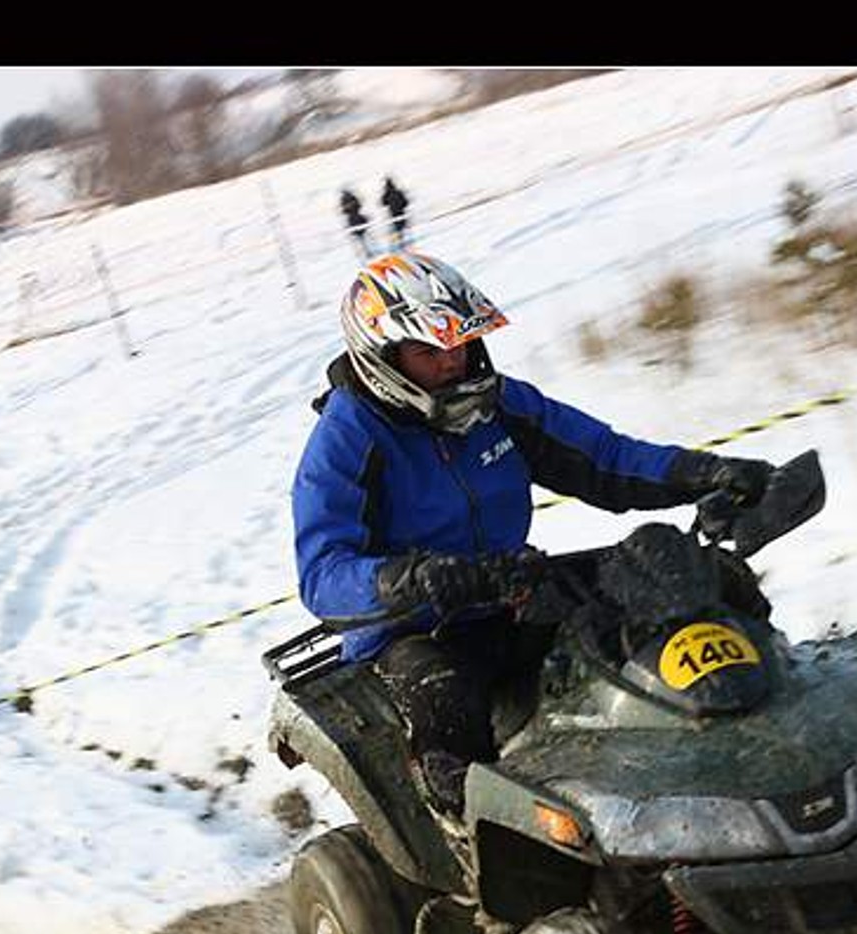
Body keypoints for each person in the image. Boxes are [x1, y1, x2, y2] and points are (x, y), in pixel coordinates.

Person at [292, 253, 772, 827]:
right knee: (443, 697)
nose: (452, 362)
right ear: (382, 360)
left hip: (509, 587)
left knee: (666, 567)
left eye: (461, 344)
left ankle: (755, 725)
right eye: (429, 352)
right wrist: (413, 577)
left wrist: (704, 474)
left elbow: (605, 459)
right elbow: (322, 574)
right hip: (414, 629)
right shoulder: (346, 439)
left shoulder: (498, 404)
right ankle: (473, 846)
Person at [338, 187, 374, 259]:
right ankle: (369, 251)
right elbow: (360, 205)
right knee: (366, 235)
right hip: (360, 218)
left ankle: (366, 252)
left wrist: (347, 209)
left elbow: (343, 211)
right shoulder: (353, 197)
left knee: (360, 238)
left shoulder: (343, 200)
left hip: (352, 221)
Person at [380, 175, 411, 251]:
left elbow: (383, 203)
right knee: (400, 230)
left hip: (393, 215)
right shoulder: (398, 192)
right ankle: (401, 243)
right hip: (401, 213)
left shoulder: (386, 194)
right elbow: (406, 202)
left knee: (394, 230)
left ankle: (394, 246)